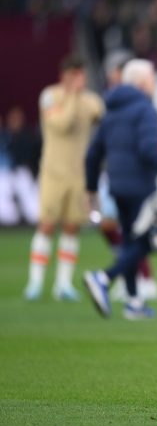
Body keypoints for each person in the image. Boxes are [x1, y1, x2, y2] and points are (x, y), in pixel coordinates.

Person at [83, 59, 157, 320]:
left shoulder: (111, 110)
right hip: (140, 185)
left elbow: (93, 155)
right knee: (146, 242)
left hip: (116, 185)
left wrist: (91, 190)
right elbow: (149, 150)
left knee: (129, 241)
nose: (154, 83)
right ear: (141, 82)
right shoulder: (146, 109)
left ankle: (134, 303)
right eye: (151, 78)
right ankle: (103, 278)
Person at [23, 55, 103, 302]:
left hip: (78, 173)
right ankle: (35, 282)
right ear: (64, 76)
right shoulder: (51, 96)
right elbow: (61, 124)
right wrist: (70, 96)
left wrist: (79, 97)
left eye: (81, 75)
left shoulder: (89, 99)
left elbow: (100, 113)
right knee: (47, 224)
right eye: (74, 75)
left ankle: (63, 284)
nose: (79, 80)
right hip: (53, 172)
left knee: (72, 226)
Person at [98, 50, 157, 302]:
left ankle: (134, 293)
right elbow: (148, 148)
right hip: (136, 180)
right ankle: (110, 276)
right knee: (141, 237)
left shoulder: (112, 104)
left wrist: (91, 184)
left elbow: (96, 148)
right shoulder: (141, 107)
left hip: (115, 177)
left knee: (129, 233)